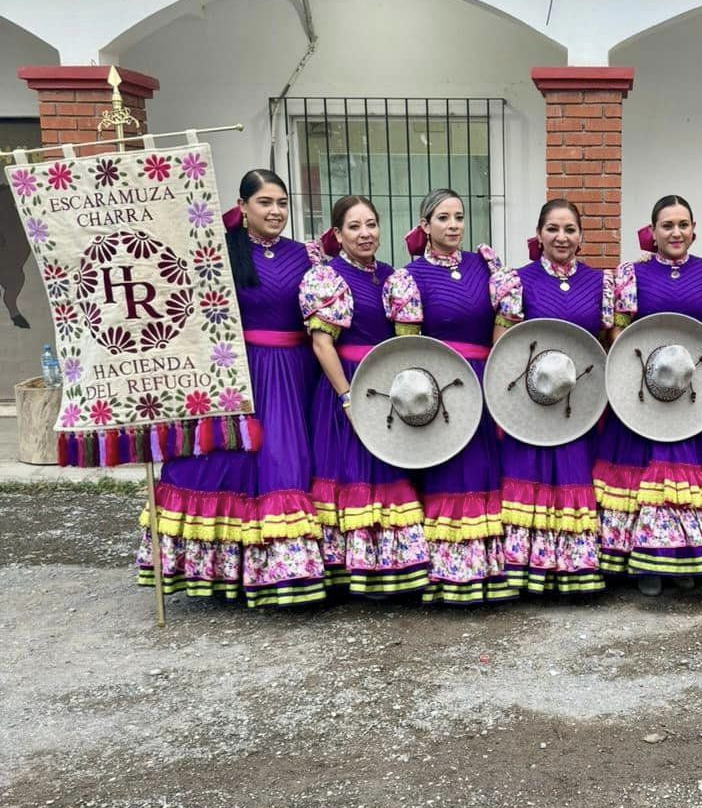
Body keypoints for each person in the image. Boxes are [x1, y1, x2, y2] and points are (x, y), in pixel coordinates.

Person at [137, 169, 326, 607]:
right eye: (265, 202)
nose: (275, 211)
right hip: (237, 373)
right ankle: (223, 568)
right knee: (228, 464)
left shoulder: (307, 257)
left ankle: (288, 571)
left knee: (287, 463)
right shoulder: (219, 256)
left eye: (281, 203)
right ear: (243, 207)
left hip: (295, 373)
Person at [593, 194, 702, 596]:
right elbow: (617, 332)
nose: (676, 232)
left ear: (694, 230)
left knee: (688, 475)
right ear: (653, 233)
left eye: (683, 224)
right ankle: (648, 562)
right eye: (667, 225)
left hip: (695, 391)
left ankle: (687, 558)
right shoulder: (632, 275)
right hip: (647, 392)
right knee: (651, 474)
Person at [384, 188, 517, 605]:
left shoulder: (486, 266)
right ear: (425, 226)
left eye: (458, 217)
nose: (453, 225)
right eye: (443, 218)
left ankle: (490, 569)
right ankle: (448, 573)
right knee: (449, 469)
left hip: (483, 379)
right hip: (439, 386)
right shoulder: (409, 278)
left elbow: (504, 323)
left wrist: (494, 374)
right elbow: (406, 349)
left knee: (484, 469)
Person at [301, 194, 429, 597]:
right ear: (337, 234)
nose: (365, 233)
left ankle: (387, 568)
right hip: (346, 384)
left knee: (386, 471)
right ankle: (347, 571)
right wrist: (346, 397)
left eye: (371, 224)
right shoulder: (328, 277)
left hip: (385, 384)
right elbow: (322, 344)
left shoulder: (394, 277)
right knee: (349, 471)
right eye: (354, 227)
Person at [490, 198, 613, 595]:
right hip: (529, 399)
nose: (562, 237)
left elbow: (607, 344)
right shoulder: (517, 281)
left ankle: (572, 570)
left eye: (570, 230)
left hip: (577, 400)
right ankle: (526, 569)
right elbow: (503, 347)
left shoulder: (600, 283)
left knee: (575, 472)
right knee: (529, 472)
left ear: (581, 236)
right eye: (553, 229)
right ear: (539, 235)